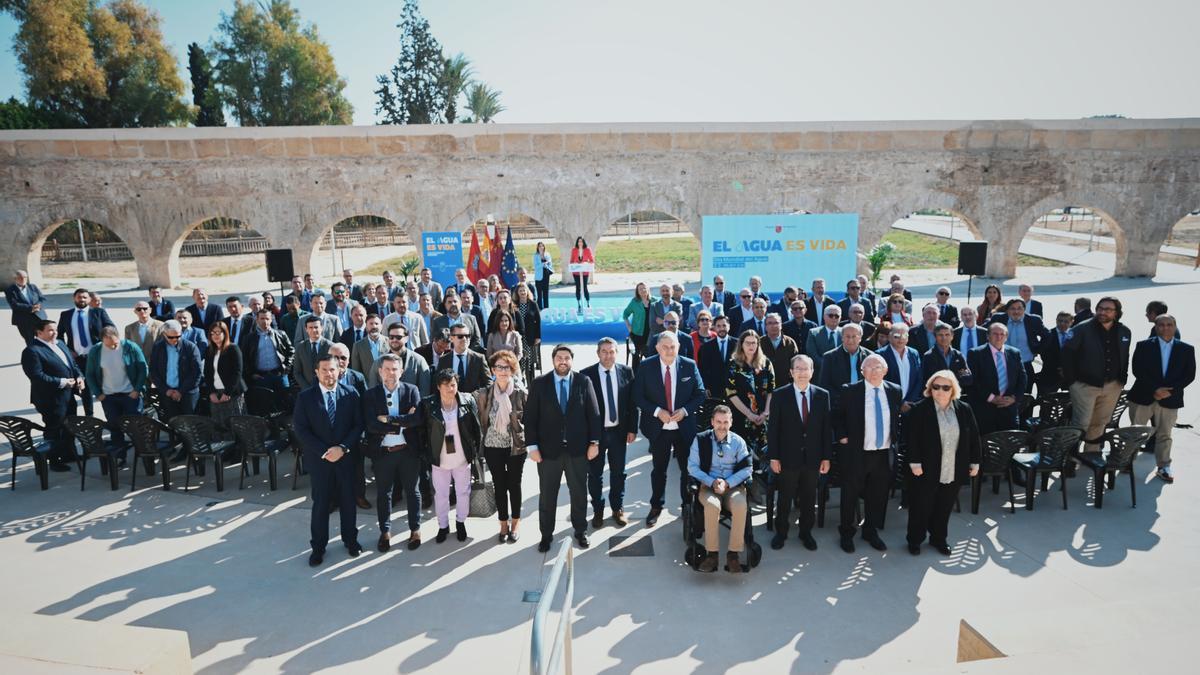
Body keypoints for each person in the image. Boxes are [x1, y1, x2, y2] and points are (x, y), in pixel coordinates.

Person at [525, 345, 602, 551]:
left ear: (571, 360)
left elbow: (594, 415)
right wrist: (532, 447)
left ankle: (580, 531)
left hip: (578, 451)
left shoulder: (583, 382)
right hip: (548, 452)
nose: (563, 361)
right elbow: (530, 417)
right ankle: (546, 535)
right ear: (553, 360)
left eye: (567, 358)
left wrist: (594, 442)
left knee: (579, 494)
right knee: (548, 495)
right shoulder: (540, 383)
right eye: (559, 357)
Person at [292, 354, 363, 566]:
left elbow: (358, 425)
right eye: (324, 370)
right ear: (316, 372)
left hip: (346, 459)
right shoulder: (306, 398)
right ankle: (318, 548)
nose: (329, 374)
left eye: (333, 369)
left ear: (339, 371)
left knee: (348, 503)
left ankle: (351, 541)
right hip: (320, 461)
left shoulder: (351, 394)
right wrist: (325, 451)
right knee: (321, 505)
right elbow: (301, 430)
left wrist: (342, 448)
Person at [905, 371, 982, 555]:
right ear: (930, 388)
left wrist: (975, 462)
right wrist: (914, 463)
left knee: (944, 506)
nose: (940, 391)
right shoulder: (919, 409)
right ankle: (915, 540)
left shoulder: (964, 409)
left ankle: (938, 539)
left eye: (945, 387)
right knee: (921, 506)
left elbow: (973, 438)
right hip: (926, 469)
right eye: (936, 386)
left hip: (953, 468)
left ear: (953, 389)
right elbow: (912, 439)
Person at [634, 331, 706, 526]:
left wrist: (685, 410)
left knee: (686, 470)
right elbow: (638, 396)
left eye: (672, 346)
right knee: (659, 470)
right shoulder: (646, 366)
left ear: (678, 347)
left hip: (684, 429)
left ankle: (686, 507)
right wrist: (657, 411)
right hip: (659, 429)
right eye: (665, 347)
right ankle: (656, 506)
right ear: (657, 348)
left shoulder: (689, 366)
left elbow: (700, 394)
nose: (669, 350)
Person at [832, 354, 902, 553]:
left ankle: (870, 531)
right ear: (862, 372)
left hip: (883, 453)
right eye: (868, 368)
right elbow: (836, 416)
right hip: (857, 453)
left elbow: (896, 419)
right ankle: (846, 532)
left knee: (877, 495)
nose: (873, 371)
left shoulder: (894, 391)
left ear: (885, 370)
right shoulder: (850, 391)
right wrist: (842, 437)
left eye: (877, 367)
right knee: (850, 494)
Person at [768, 354, 832, 551]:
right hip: (787, 457)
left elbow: (826, 428)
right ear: (791, 372)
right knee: (785, 496)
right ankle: (781, 532)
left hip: (813, 458)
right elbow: (773, 429)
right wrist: (774, 456)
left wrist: (826, 457)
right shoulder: (780, 395)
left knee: (808, 497)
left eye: (806, 369)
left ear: (812, 372)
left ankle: (806, 532)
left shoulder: (822, 395)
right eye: (798, 369)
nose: (802, 373)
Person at [363, 353, 425, 551]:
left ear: (402, 371)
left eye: (395, 369)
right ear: (380, 371)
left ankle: (415, 530)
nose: (391, 373)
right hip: (383, 453)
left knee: (413, 492)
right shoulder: (370, 395)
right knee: (384, 494)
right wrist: (402, 421)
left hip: (408, 451)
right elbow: (371, 425)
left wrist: (389, 420)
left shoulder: (411, 390)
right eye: (387, 369)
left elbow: (417, 420)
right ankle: (385, 532)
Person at [1128, 314, 1194, 483]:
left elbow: (1189, 375)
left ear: (1175, 326)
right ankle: (1126, 462)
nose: (1165, 327)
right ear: (1156, 327)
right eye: (1162, 325)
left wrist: (1169, 391)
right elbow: (1138, 370)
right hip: (1143, 397)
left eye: (1169, 324)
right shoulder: (1143, 346)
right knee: (1135, 433)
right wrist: (1155, 389)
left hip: (1170, 399)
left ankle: (1164, 466)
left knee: (1165, 434)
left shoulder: (1186, 349)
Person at [687, 404, 753, 573]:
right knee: (712, 505)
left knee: (740, 505)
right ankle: (712, 555)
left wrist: (728, 483)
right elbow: (692, 467)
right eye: (718, 422)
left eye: (725, 422)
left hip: (733, 486)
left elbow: (747, 468)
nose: (722, 426)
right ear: (712, 422)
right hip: (708, 486)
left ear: (731, 422)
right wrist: (711, 481)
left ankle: (733, 555)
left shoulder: (739, 442)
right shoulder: (700, 440)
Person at [582, 338, 638, 528]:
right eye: (604, 352)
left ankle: (617, 508)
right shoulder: (586, 375)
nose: (608, 355)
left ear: (617, 353)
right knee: (595, 475)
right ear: (598, 354)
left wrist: (632, 428)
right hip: (596, 436)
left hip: (619, 433)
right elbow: (583, 411)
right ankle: (598, 511)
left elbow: (632, 403)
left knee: (618, 473)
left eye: (611, 351)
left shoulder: (626, 372)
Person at [1063, 296, 1131, 452]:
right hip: (1084, 386)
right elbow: (1066, 355)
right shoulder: (1081, 329)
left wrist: (1122, 379)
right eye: (1100, 308)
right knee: (1081, 423)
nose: (1102, 312)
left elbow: (1125, 356)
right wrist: (1072, 382)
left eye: (1108, 309)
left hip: (1112, 386)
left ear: (1116, 312)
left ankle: (1091, 455)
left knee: (1100, 423)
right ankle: (1070, 457)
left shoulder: (1124, 331)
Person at [474, 350, 528, 543]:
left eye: (506, 367)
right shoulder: (485, 394)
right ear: (492, 370)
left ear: (512, 369)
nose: (502, 371)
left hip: (515, 448)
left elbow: (530, 420)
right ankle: (503, 523)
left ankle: (515, 522)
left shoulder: (521, 393)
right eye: (498, 367)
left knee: (514, 485)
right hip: (492, 446)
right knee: (500, 485)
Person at [423, 368, 482, 544]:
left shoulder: (467, 400)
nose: (451, 389)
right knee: (441, 494)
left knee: (463, 492)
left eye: (454, 385)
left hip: (462, 457)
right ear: (438, 387)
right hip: (439, 458)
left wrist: (476, 453)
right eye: (446, 385)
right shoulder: (428, 404)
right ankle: (442, 526)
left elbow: (476, 428)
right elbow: (423, 431)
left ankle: (461, 522)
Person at [22, 320, 83, 471]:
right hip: (50, 398)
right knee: (54, 429)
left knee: (70, 426)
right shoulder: (32, 351)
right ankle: (54, 460)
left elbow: (73, 365)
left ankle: (69, 454)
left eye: (55, 330)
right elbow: (37, 376)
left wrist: (80, 377)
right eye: (50, 330)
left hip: (68, 396)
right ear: (39, 332)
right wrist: (62, 382)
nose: (55, 333)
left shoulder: (60, 344)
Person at [82, 326, 145, 461]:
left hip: (130, 394)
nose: (112, 347)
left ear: (119, 337)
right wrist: (98, 394)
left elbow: (143, 369)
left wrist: (137, 389)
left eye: (115, 344)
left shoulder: (130, 347)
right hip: (109, 396)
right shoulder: (96, 351)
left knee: (136, 427)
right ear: (102, 341)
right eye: (108, 345)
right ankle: (120, 456)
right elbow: (90, 374)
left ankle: (144, 454)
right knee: (115, 428)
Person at [58, 287, 115, 416]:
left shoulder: (98, 312)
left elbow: (111, 329)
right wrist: (68, 350)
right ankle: (89, 417)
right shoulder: (66, 315)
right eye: (79, 297)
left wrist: (103, 345)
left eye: (84, 297)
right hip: (78, 359)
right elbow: (59, 336)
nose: (82, 299)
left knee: (105, 386)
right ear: (74, 298)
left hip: (98, 356)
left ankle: (111, 416)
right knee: (85, 389)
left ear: (89, 299)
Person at [966, 323, 1026, 436]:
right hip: (985, 409)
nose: (999, 337)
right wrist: (991, 398)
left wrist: (1014, 398)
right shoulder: (975, 353)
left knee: (1009, 444)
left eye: (1002, 334)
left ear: (1006, 337)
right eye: (995, 334)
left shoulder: (1014, 353)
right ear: (988, 336)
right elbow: (973, 381)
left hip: (1009, 409)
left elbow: (1022, 379)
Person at [726, 329, 775, 452]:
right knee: (743, 453)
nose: (751, 346)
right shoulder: (733, 365)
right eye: (748, 343)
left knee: (765, 453)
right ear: (741, 344)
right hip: (741, 416)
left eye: (754, 343)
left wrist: (765, 413)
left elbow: (771, 390)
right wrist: (749, 414)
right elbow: (731, 393)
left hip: (764, 416)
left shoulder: (766, 363)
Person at [149, 320, 203, 420]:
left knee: (190, 423)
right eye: (171, 337)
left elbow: (197, 373)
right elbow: (153, 371)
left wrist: (180, 391)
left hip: (188, 393)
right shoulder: (158, 347)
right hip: (167, 393)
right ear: (164, 334)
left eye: (178, 336)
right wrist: (166, 390)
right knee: (172, 423)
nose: (175, 340)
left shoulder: (191, 347)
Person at [991, 298, 1047, 395]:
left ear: (1024, 310)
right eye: (1012, 309)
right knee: (1003, 396)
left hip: (1025, 365)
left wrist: (1037, 349)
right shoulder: (998, 319)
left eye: (1019, 308)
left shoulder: (1033, 320)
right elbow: (985, 332)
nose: (1016, 311)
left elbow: (1047, 335)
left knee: (1026, 397)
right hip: (1002, 366)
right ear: (1007, 310)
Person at [241, 308, 294, 408]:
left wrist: (286, 368)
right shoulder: (249, 338)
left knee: (285, 404)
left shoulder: (281, 334)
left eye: (267, 318)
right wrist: (252, 374)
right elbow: (245, 358)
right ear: (257, 320)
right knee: (264, 406)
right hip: (261, 377)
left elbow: (291, 352)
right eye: (262, 318)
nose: (265, 321)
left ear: (271, 320)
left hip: (279, 375)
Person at [203, 321, 246, 435]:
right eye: (212, 333)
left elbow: (237, 372)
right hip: (215, 393)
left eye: (218, 332)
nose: (215, 335)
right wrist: (211, 392)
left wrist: (227, 393)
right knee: (219, 425)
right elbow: (207, 373)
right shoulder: (209, 350)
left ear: (225, 333)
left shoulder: (233, 348)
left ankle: (238, 450)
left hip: (232, 393)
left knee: (235, 425)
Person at [818, 323, 873, 411]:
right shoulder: (829, 357)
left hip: (865, 405)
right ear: (842, 337)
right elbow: (824, 384)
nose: (850, 340)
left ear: (860, 338)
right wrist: (843, 399)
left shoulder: (870, 356)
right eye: (847, 336)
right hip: (839, 407)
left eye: (854, 336)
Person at [880, 324, 925, 411]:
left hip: (911, 406)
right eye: (896, 336)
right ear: (889, 337)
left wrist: (910, 401)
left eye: (904, 336)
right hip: (890, 406)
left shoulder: (914, 353)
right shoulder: (880, 354)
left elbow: (919, 379)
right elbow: (882, 382)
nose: (901, 339)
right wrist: (900, 403)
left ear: (908, 338)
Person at [292, 315, 334, 392]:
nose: (314, 330)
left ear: (322, 328)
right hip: (307, 390)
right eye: (310, 328)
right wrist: (307, 388)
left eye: (316, 327)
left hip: (327, 389)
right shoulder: (301, 347)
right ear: (306, 329)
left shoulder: (331, 346)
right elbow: (297, 372)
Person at [6, 269, 48, 343]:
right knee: (30, 342)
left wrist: (38, 306)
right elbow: (14, 305)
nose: (23, 279)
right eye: (20, 278)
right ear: (15, 279)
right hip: (24, 320)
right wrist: (31, 308)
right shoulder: (10, 290)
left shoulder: (33, 287)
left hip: (39, 317)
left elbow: (42, 299)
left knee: (44, 340)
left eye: (25, 277)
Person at [698, 315, 734, 399]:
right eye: (718, 326)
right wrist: (705, 387)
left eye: (724, 325)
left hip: (735, 389)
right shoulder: (705, 347)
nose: (721, 328)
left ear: (729, 326)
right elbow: (702, 369)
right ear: (714, 327)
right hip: (714, 390)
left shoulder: (738, 344)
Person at [1038, 311, 1075, 394]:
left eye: (1066, 321)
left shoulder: (1076, 335)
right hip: (1050, 374)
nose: (1062, 323)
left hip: (1070, 375)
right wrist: (1059, 368)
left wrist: (1066, 369)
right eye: (1060, 321)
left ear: (1071, 322)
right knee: (1045, 402)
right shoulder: (1048, 334)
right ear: (1056, 320)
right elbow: (1044, 354)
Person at [447, 324, 490, 391]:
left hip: (473, 400)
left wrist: (479, 394)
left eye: (467, 336)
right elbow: (438, 384)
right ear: (451, 338)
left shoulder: (479, 359)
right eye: (460, 336)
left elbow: (489, 383)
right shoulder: (444, 360)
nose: (464, 339)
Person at [513, 283, 542, 384]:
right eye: (520, 291)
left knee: (529, 361)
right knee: (520, 359)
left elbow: (538, 321)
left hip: (530, 337)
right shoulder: (514, 304)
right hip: (518, 337)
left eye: (524, 290)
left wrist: (538, 336)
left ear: (527, 292)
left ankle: (531, 381)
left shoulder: (533, 304)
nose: (522, 292)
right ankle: (521, 380)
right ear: (517, 293)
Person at [806, 305, 843, 381]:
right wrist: (827, 365)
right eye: (831, 315)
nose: (834, 318)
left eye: (837, 316)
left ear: (840, 318)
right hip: (821, 375)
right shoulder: (814, 333)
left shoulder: (846, 332)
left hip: (841, 375)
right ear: (824, 316)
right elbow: (812, 354)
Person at [622, 282, 653, 370]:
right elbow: (625, 314)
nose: (643, 290)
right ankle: (635, 374)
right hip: (637, 333)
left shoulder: (654, 301)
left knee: (650, 353)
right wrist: (629, 327)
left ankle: (649, 372)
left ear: (648, 289)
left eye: (644, 288)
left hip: (651, 333)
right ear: (637, 291)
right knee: (637, 354)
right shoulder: (634, 302)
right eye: (640, 289)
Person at [760, 313, 799, 384]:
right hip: (764, 384)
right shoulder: (759, 343)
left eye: (776, 323)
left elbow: (795, 364)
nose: (773, 326)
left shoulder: (790, 342)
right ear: (765, 326)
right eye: (770, 323)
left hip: (785, 383)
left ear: (781, 325)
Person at [570, 236, 594, 311]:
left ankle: (588, 303)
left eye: (581, 241)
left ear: (583, 242)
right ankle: (579, 304)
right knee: (578, 288)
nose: (580, 243)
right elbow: (571, 261)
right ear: (577, 242)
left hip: (585, 272)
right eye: (579, 241)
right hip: (576, 272)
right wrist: (575, 263)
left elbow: (592, 260)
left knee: (585, 287)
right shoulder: (574, 250)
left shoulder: (587, 250)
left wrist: (586, 262)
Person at [532, 242, 553, 309]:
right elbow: (536, 266)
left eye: (542, 246)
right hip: (538, 276)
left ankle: (546, 307)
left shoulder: (547, 254)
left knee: (546, 292)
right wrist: (543, 264)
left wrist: (547, 265)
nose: (541, 247)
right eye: (539, 246)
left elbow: (550, 264)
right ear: (537, 248)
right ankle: (539, 308)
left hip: (546, 274)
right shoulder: (536, 255)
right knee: (539, 293)